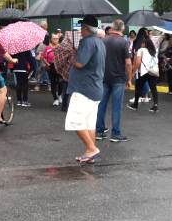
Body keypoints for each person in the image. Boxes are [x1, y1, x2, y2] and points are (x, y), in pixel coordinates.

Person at [65, 15, 106, 163]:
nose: (80, 30)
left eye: (82, 27)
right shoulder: (100, 42)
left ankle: (92, 148)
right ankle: (91, 152)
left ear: (87, 28)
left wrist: (72, 56)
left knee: (74, 121)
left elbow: (80, 64)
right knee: (89, 122)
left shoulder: (88, 42)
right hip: (95, 87)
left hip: (83, 88)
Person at [96, 19, 132, 142]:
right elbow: (128, 63)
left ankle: (99, 131)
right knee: (116, 106)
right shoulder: (123, 42)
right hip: (119, 79)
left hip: (104, 78)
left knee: (102, 105)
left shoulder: (103, 40)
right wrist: (129, 78)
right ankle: (115, 133)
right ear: (122, 29)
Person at [128, 28, 160, 112]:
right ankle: (155, 105)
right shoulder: (153, 52)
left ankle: (135, 105)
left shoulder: (141, 50)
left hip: (143, 72)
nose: (141, 44)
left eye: (142, 43)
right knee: (153, 88)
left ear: (144, 44)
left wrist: (133, 72)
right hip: (153, 72)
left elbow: (138, 63)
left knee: (138, 87)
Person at [44, 32, 64, 107]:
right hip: (51, 66)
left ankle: (59, 95)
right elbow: (43, 57)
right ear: (51, 39)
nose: (55, 40)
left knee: (60, 82)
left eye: (57, 38)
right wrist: (47, 64)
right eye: (54, 38)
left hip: (59, 66)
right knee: (53, 83)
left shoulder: (61, 47)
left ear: (58, 39)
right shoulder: (47, 47)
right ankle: (55, 99)